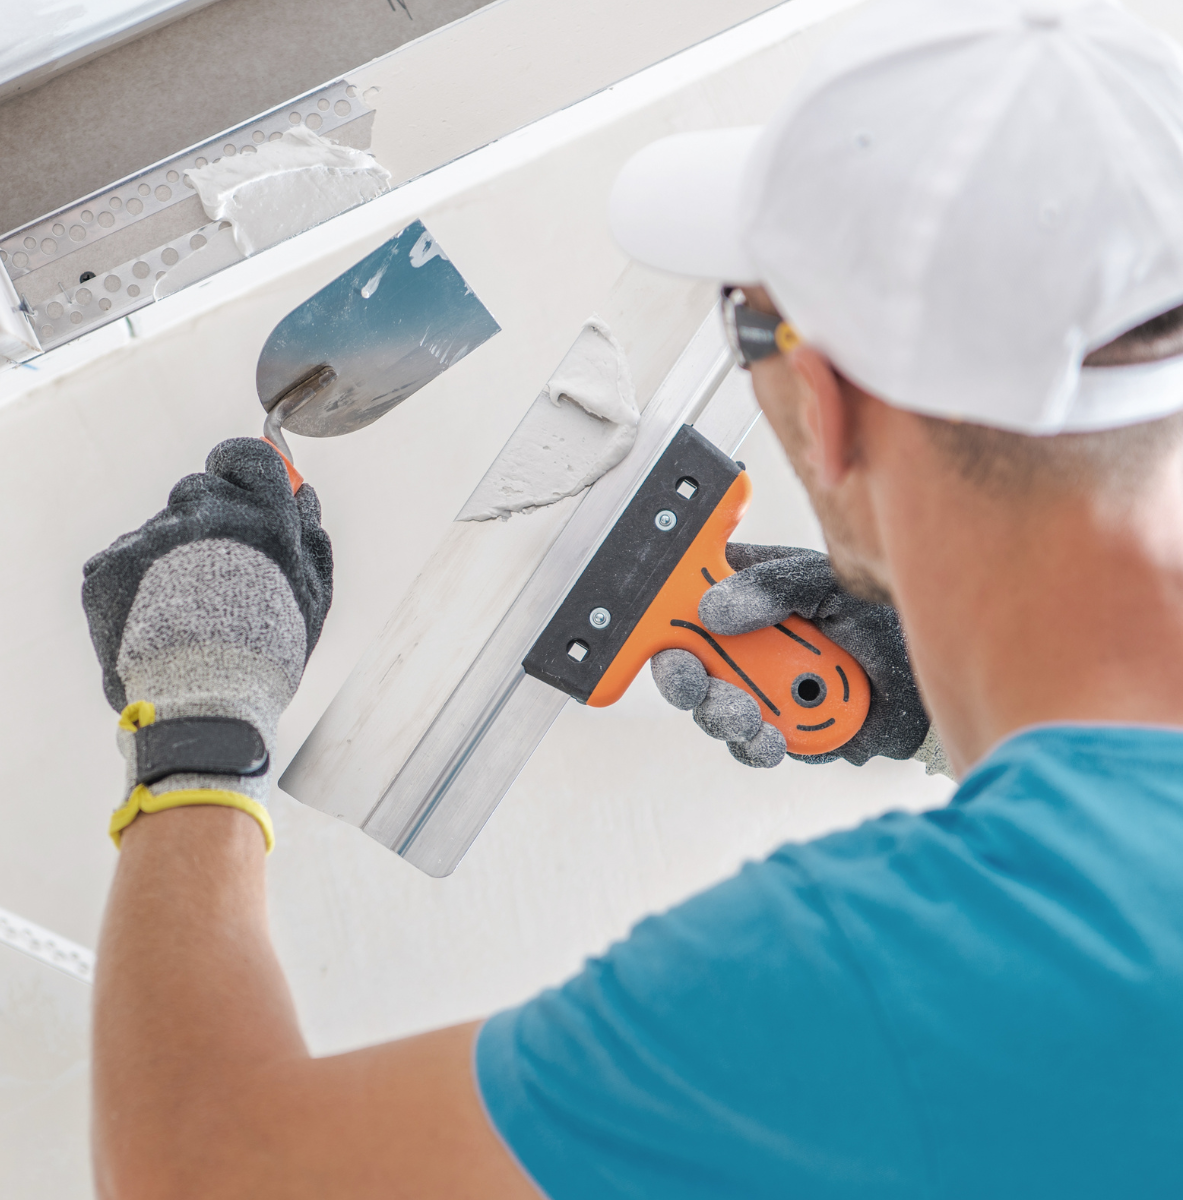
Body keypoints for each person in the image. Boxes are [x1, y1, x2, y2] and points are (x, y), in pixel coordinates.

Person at [76, 1, 1183, 1195]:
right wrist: (941, 696)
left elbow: (211, 1171)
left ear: (825, 403)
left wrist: (196, 722)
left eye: (741, 314)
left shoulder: (896, 970)